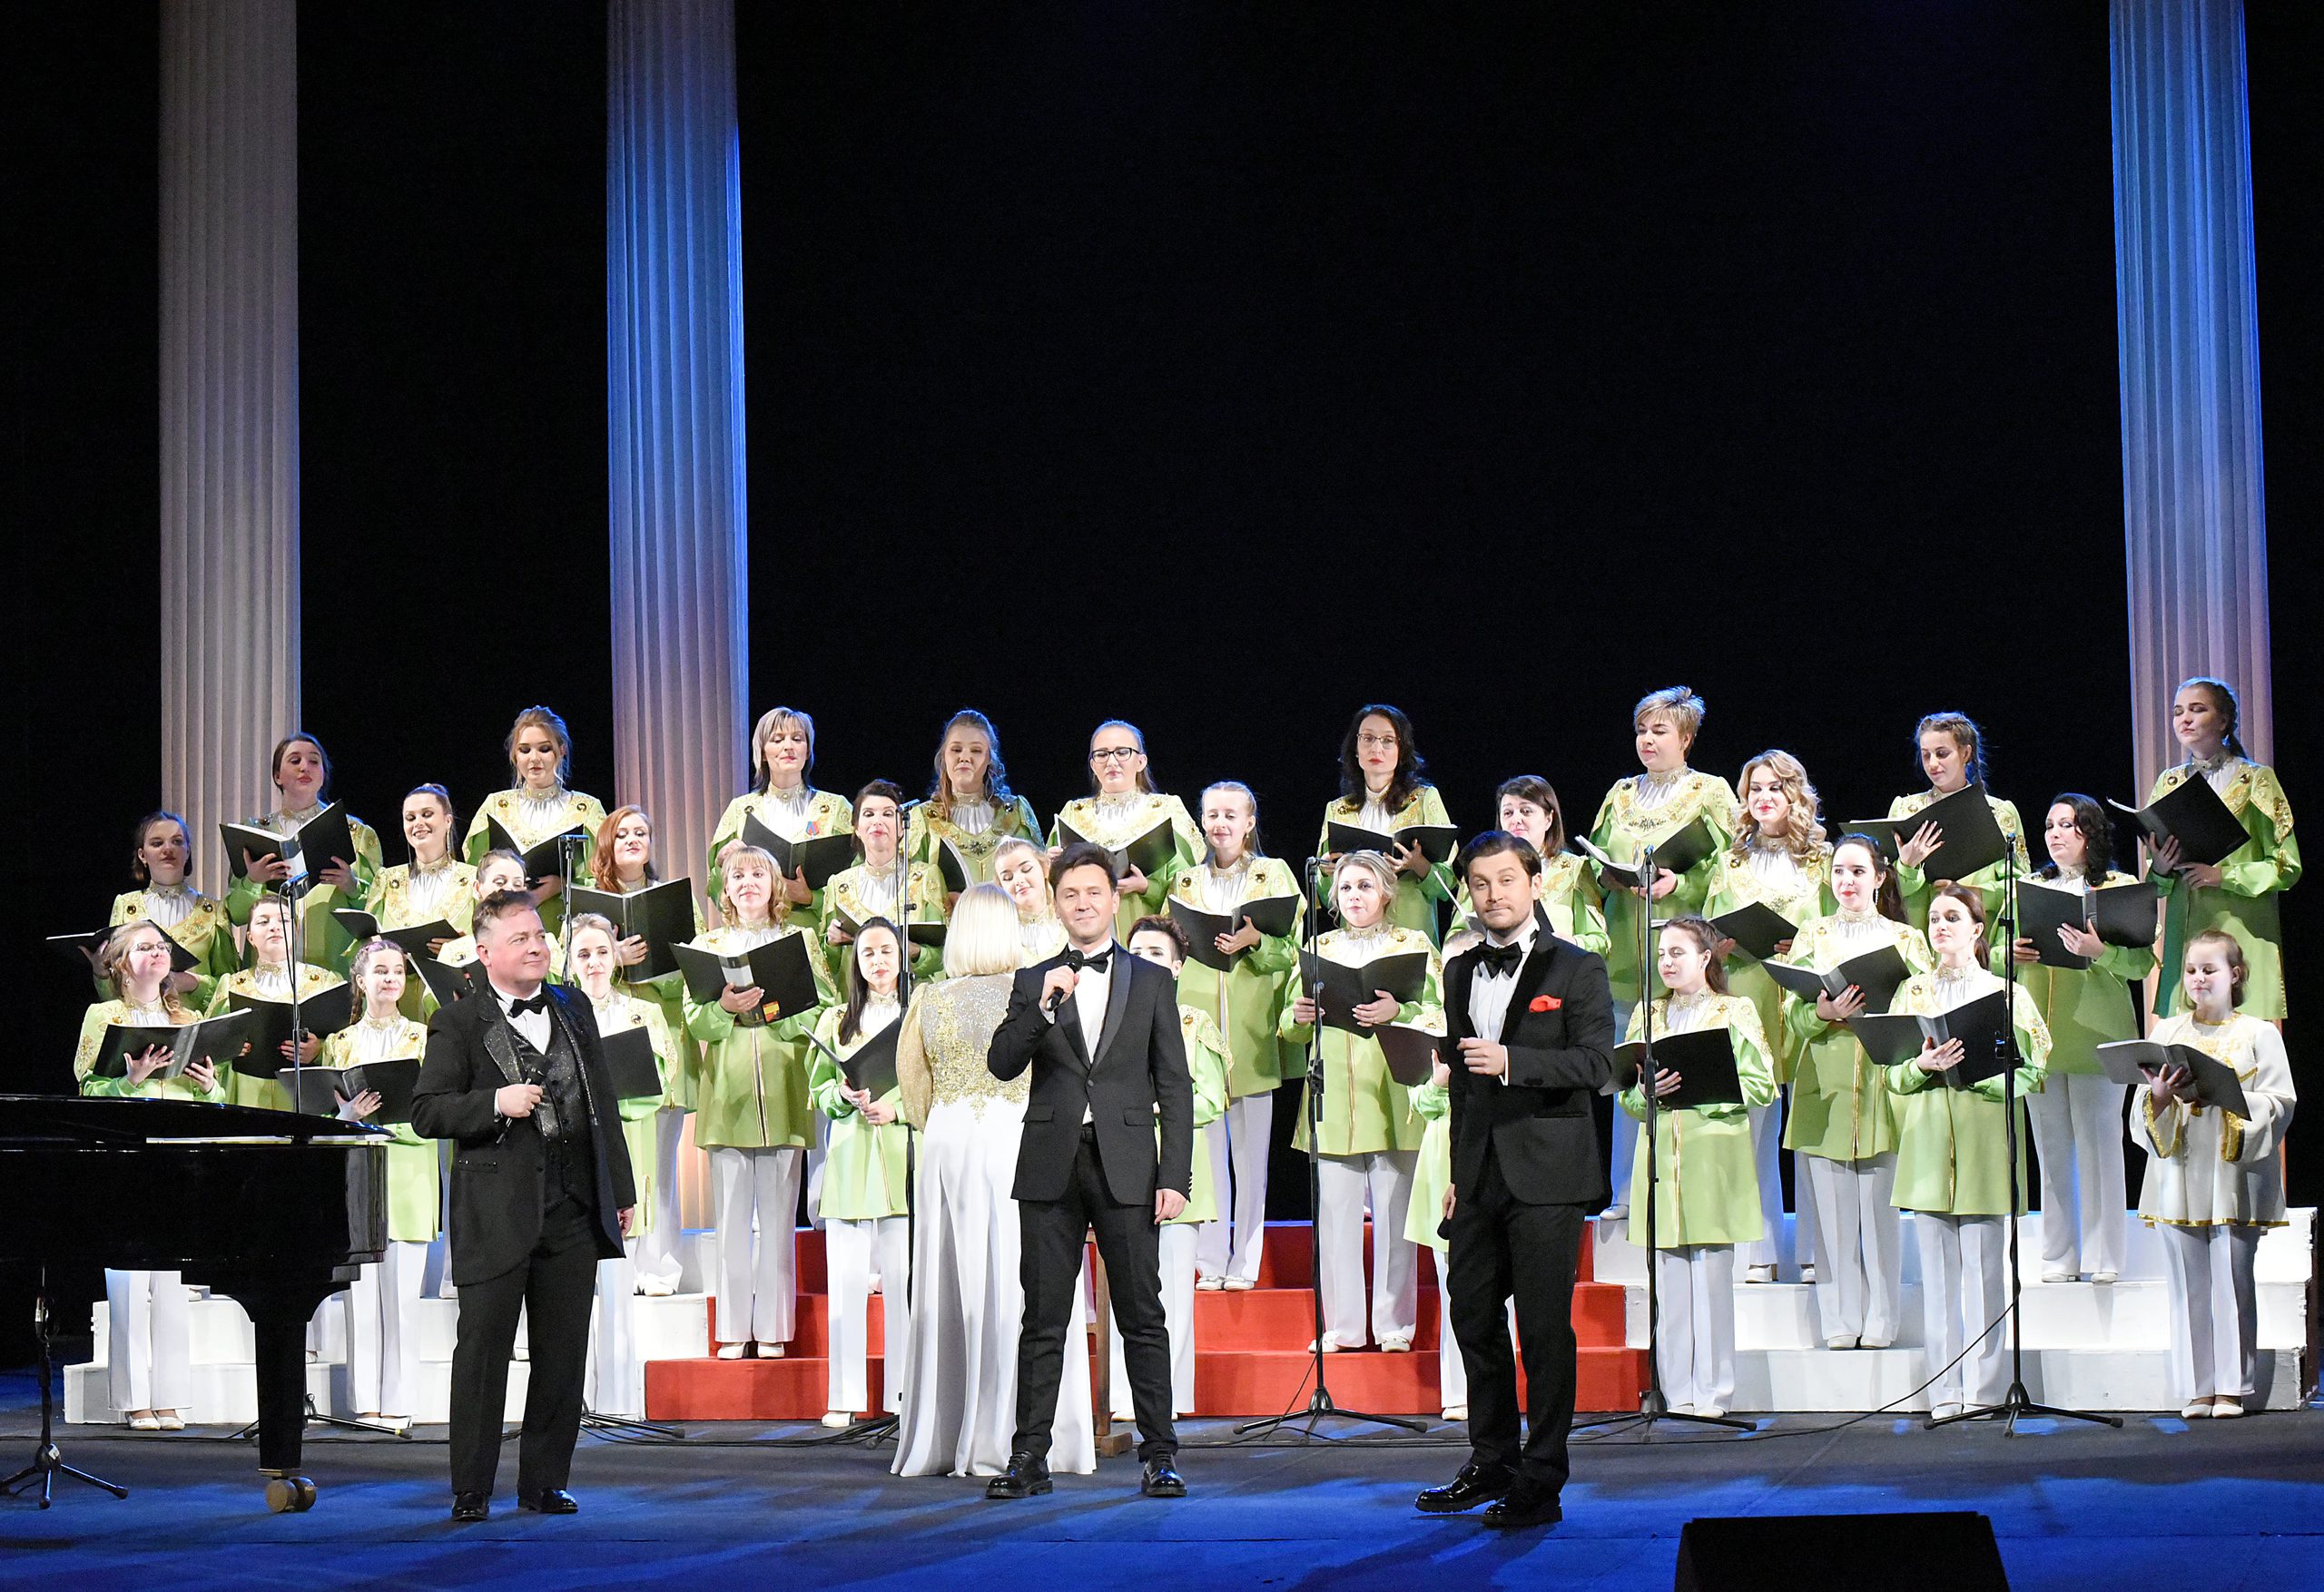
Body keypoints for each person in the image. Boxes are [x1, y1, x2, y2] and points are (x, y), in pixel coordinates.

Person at [410, 889, 635, 1521]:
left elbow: (602, 1100)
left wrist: (618, 1190)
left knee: (562, 1356)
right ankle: (472, 1488)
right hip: (495, 1212)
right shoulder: (457, 1022)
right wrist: (493, 1103)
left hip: (573, 1206)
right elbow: (426, 1111)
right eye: (521, 939)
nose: (537, 947)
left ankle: (544, 1482)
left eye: (539, 936)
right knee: (482, 1357)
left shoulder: (573, 1005)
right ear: (485, 953)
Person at [1416, 831, 1615, 1532]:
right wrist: (1457, 1171)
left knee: (1543, 1327)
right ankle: (1492, 1458)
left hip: (1550, 1172)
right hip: (1480, 1172)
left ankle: (1543, 1476)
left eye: (1506, 880)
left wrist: (1513, 1062)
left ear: (1534, 883)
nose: (1493, 894)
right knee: (1471, 1313)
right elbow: (1463, 1086)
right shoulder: (1459, 970)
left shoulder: (1578, 967)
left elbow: (1598, 1065)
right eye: (1479, 883)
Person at [984, 843, 1192, 1502]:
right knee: (1044, 1317)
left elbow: (1175, 1083)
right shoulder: (1033, 980)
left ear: (1114, 899)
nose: (1082, 904)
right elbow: (1001, 1063)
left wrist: (1175, 1175)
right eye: (1070, 894)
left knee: (1142, 1314)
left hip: (1128, 1163)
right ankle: (1029, 1456)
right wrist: (1044, 1005)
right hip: (1051, 1163)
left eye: (1093, 892)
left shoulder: (1151, 980)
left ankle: (1160, 1455)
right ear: (1055, 903)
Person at [889, 885, 1095, 1479]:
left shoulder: (928, 1000)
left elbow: (914, 1092)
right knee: (1029, 1282)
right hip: (1020, 1138)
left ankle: (947, 1432)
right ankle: (1033, 1435)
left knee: (951, 1285)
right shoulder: (1039, 993)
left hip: (950, 1141)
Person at [1885, 884, 2050, 1421]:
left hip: (1985, 1148)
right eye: (1934, 917)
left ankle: (1983, 1389)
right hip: (1929, 1149)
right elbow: (1891, 1075)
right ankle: (1943, 1393)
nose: (1940, 926)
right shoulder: (1911, 993)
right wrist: (1921, 1067)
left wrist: (1978, 1076)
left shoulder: (2006, 994)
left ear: (1978, 930)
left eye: (1952, 917)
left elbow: (2034, 1070)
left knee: (1985, 1278)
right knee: (1937, 1284)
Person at [1587, 687, 1741, 1217]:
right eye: (1641, 731)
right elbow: (1595, 863)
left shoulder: (1711, 791)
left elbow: (1732, 863)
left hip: (1684, 955)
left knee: (1684, 1067)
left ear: (1686, 738)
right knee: (1630, 1071)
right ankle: (1627, 1194)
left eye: (1660, 731)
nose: (1647, 740)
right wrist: (1610, 874)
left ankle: (1686, 1190)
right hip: (1626, 956)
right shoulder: (1620, 793)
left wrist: (1684, 882)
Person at [1617, 918, 1777, 1420]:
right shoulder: (1648, 1014)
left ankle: (1714, 1394)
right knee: (1669, 1284)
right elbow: (1626, 1098)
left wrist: (1706, 1085)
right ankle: (1677, 1392)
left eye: (1678, 952)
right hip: (1661, 1158)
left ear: (1706, 958)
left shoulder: (1735, 1010)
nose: (1666, 962)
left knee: (1710, 1281)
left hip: (1713, 1158)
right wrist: (1644, 1092)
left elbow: (1763, 1086)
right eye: (1662, 953)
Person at [682, 844, 837, 1360]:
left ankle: (772, 1328)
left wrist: (777, 1010)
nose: (747, 883)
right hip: (728, 1094)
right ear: (725, 890)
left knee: (777, 1221)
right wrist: (724, 1007)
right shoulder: (708, 945)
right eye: (738, 876)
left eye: (758, 874)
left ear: (774, 886)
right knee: (730, 1221)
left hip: (783, 1090)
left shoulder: (800, 940)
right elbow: (695, 1020)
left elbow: (825, 1010)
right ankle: (732, 1329)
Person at [1777, 835, 1933, 1351]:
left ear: (1880, 877)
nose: (1847, 881)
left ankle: (1883, 1318)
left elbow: (1924, 1004)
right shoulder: (1813, 933)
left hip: (1882, 1076)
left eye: (1858, 872)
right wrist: (1823, 1012)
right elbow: (1792, 1013)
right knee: (1832, 1215)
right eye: (1839, 871)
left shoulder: (1906, 938)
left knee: (1881, 1213)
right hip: (1825, 1078)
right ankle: (1840, 1320)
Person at [2133, 930, 2296, 1419]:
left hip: (2231, 1176)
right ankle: (2197, 1387)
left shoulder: (2259, 1034)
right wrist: (2160, 1097)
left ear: (2235, 974)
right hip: (2179, 1171)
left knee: (2232, 1280)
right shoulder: (2166, 1033)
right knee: (2187, 1285)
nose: (2198, 979)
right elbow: (2141, 1107)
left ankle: (2231, 1387)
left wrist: (2226, 1099)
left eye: (2209, 970)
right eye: (2191, 971)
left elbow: (2280, 1102)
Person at [1283, 851, 1440, 1352]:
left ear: (1387, 892)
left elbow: (1440, 1014)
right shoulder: (1318, 947)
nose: (1355, 896)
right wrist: (1298, 1016)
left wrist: (1401, 1010)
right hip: (1333, 1094)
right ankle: (1344, 1327)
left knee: (1395, 1217)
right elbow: (1287, 1024)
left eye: (1365, 886)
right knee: (1335, 1217)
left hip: (1394, 1093)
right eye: (1347, 887)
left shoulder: (1413, 944)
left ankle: (1394, 1325)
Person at [74, 920, 224, 1430]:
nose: (158, 953)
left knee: (172, 1282)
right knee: (130, 1283)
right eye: (145, 947)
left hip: (178, 1157)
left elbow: (216, 1097)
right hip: (129, 1157)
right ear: (120, 963)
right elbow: (87, 1089)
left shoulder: (189, 1017)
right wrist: (129, 1079)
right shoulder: (103, 1016)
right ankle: (136, 1398)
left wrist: (210, 1085)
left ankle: (170, 1395)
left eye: (162, 947)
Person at [1167, 781, 1302, 1292]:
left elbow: (1293, 950)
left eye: (1230, 815)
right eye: (1212, 814)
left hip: (1251, 1030)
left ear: (1249, 822)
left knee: (1250, 1161)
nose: (1220, 823)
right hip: (1198, 1030)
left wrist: (1257, 940)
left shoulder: (1274, 874)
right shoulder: (1184, 881)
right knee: (1205, 1154)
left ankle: (1244, 1261)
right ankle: (1209, 1259)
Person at [2011, 794, 2152, 1283]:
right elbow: (1994, 955)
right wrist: (2010, 954)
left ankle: (2103, 1258)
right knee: (2051, 1151)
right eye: (2049, 825)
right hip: (2041, 1037)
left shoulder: (2118, 887)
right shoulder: (2029, 887)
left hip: (2097, 1033)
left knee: (2099, 1148)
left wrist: (2101, 950)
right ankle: (2058, 1256)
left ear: (2089, 832)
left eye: (2066, 825)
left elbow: (2141, 964)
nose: (2054, 834)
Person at [1704, 751, 1834, 1282]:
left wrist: (1802, 942)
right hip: (1748, 995)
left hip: (1807, 1002)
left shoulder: (1823, 859)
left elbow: (1842, 924)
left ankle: (1814, 1252)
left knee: (1810, 1128)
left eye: (1774, 788)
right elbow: (1708, 928)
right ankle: (1758, 1252)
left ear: (1794, 795)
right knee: (1753, 1127)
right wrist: (1722, 943)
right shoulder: (1730, 861)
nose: (1763, 798)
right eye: (1754, 789)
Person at [564, 912, 685, 1416]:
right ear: (570, 962)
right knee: (573, 1294)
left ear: (616, 957)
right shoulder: (557, 1012)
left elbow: (660, 1079)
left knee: (618, 1283)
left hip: (627, 1150)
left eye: (601, 952)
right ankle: (577, 1402)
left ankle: (618, 1402)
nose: (593, 963)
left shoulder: (643, 1014)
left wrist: (611, 1099)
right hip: (574, 1156)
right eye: (583, 954)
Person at [1110, 915, 1229, 1420]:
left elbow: (1212, 1099)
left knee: (1174, 1290)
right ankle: (1120, 1396)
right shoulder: (1108, 1018)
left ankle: (1170, 1398)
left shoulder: (1194, 1023)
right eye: (1136, 952)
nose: (1144, 961)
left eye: (1156, 954)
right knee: (1124, 1288)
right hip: (1120, 1165)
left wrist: (1160, 1105)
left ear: (1177, 967)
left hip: (1176, 1166)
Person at [319, 938, 435, 1431]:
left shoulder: (425, 1038)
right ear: (360, 981)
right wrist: (347, 1118)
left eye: (397, 971)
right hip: (358, 1178)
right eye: (380, 971)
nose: (390, 979)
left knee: (402, 1301)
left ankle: (400, 1400)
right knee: (360, 1299)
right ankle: (366, 1401)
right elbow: (326, 1114)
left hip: (409, 1177)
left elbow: (435, 1110)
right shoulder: (339, 1044)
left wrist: (381, 1124)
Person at [586, 804, 702, 1296]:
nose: (633, 839)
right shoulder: (588, 906)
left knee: (660, 1164)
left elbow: (697, 971)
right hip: (603, 1036)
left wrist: (652, 967)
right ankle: (612, 1266)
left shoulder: (674, 900)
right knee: (607, 1163)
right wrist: (612, 957)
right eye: (622, 833)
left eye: (641, 832)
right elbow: (570, 973)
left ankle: (658, 1266)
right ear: (607, 844)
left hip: (660, 1036)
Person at [810, 921, 915, 1428]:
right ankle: (845, 1395)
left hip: (901, 1156)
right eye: (867, 952)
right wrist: (842, 1095)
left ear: (902, 955)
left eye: (886, 950)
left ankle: (904, 1394)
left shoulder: (918, 1013)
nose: (878, 961)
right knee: (846, 1285)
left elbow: (933, 1085)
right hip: (851, 1158)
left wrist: (897, 1109)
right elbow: (820, 1089)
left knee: (903, 1284)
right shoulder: (837, 1020)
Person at [2147, 677, 2299, 1025]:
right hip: (2187, 933)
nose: (2185, 719)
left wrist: (2223, 875)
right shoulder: (2169, 782)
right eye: (2178, 711)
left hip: (2241, 927)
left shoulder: (2256, 780)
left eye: (2197, 709)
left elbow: (2285, 865)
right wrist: (2161, 867)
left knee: (2242, 1041)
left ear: (2223, 720)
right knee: (2188, 1043)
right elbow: (2156, 881)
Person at [225, 732, 384, 972]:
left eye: (313, 761)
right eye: (295, 760)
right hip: (270, 971)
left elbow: (379, 911)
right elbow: (235, 915)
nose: (304, 767)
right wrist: (253, 881)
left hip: (334, 968)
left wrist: (351, 886)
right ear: (277, 776)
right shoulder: (253, 833)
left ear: (323, 774)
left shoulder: (357, 834)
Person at [1313, 704, 1458, 945]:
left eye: (1388, 740)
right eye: (1368, 738)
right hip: (1356, 937)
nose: (1376, 748)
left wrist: (1419, 865)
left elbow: (1448, 885)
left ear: (1402, 750)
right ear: (1355, 748)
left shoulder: (1424, 799)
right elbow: (1327, 897)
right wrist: (1327, 872)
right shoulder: (1337, 810)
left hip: (1410, 934)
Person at [1047, 720, 1202, 942]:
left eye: (1122, 752)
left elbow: (1191, 882)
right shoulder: (1073, 813)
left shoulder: (1166, 810)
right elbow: (1047, 889)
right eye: (1102, 754)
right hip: (1085, 938)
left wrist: (1147, 887)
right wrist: (1051, 865)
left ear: (1141, 761)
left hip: (1147, 939)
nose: (1112, 761)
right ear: (1093, 765)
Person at [462, 706, 608, 936]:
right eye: (525, 750)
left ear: (561, 751)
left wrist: (561, 886)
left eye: (544, 749)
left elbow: (603, 881)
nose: (534, 758)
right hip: (502, 932)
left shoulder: (586, 810)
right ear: (515, 755)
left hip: (564, 932)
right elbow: (473, 875)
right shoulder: (495, 807)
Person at [707, 706, 853, 936]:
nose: (788, 746)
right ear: (763, 753)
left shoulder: (836, 809)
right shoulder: (740, 810)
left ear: (807, 751)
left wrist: (810, 897)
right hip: (754, 935)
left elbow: (858, 878)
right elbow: (716, 886)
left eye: (797, 739)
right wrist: (721, 863)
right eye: (777, 740)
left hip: (815, 936)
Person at [1889, 710, 2031, 931]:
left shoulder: (2000, 813)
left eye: (1942, 753)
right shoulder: (1904, 810)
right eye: (1926, 755)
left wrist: (1972, 893)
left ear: (1965, 753)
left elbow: (2020, 886)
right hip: (1918, 937)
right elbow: (1883, 888)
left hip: (1976, 938)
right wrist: (1906, 867)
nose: (1932, 764)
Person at [208, 891, 347, 1111]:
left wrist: (319, 1049)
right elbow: (207, 1044)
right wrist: (228, 1048)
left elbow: (348, 1041)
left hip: (303, 1097)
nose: (274, 927)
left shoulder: (325, 982)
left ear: (296, 930)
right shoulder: (231, 985)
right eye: (263, 922)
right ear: (250, 937)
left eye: (283, 921)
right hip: (245, 1094)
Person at [1447, 775, 1606, 958]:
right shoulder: (1481, 867)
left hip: (1556, 969)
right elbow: (1455, 935)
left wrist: (1572, 943)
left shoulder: (1574, 869)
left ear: (1548, 819)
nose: (1516, 819)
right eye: (1508, 813)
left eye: (1526, 811)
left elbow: (1601, 942)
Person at [107, 810, 238, 1010]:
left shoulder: (213, 910)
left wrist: (193, 983)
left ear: (188, 852)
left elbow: (230, 984)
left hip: (195, 1024)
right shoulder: (126, 906)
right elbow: (111, 987)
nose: (168, 849)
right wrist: (100, 973)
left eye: (177, 842)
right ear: (142, 855)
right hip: (138, 1022)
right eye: (157, 843)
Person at [906, 709, 1046, 894]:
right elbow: (910, 889)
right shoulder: (923, 818)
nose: (964, 757)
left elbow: (1040, 881)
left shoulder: (1016, 812)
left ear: (990, 759)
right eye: (956, 750)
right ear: (944, 756)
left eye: (976, 750)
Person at [366, 784, 478, 1014]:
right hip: (397, 1006)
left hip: (456, 1004)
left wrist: (460, 948)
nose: (418, 823)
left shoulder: (474, 879)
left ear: (448, 821)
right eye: (410, 818)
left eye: (427, 814)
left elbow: (495, 942)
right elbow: (366, 943)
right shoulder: (386, 880)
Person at [824, 779, 947, 988]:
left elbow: (944, 954)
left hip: (912, 996)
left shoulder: (926, 877)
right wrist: (832, 942)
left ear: (902, 828)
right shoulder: (839, 885)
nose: (877, 821)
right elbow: (827, 965)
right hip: (857, 999)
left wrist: (914, 952)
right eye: (869, 814)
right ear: (856, 828)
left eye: (888, 814)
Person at [994, 836, 1066, 965]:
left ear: (1045, 869)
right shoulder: (1000, 935)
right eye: (1008, 878)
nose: (1018, 881)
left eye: (1026, 869)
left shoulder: (1069, 915)